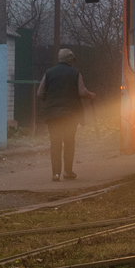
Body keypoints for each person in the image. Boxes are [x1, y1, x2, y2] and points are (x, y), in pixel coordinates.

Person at [36, 48, 96, 181]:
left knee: (55, 143)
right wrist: (91, 95)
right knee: (69, 142)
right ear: (71, 61)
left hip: (52, 114)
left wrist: (50, 100)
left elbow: (40, 93)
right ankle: (68, 172)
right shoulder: (75, 73)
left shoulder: (49, 73)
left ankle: (55, 174)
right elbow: (82, 92)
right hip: (70, 114)